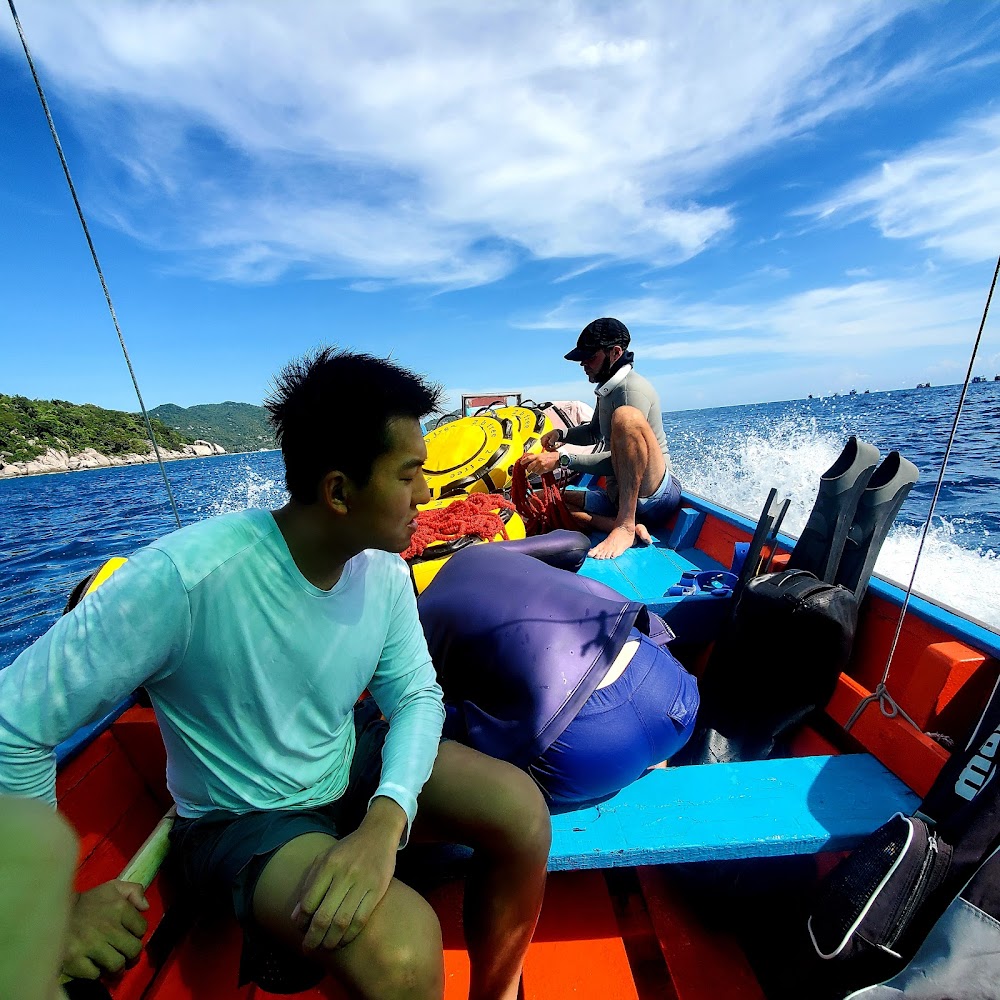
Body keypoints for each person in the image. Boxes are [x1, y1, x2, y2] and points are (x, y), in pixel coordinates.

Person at [0, 348, 551, 1000]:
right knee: (404, 949)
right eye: (408, 476)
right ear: (339, 491)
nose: (428, 495)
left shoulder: (379, 565)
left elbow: (416, 695)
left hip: (344, 756)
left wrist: (383, 823)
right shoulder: (187, 578)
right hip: (243, 817)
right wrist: (49, 913)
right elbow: (15, 724)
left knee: (522, 812)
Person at [523, 317, 680, 559]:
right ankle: (622, 526)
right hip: (617, 496)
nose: (583, 363)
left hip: (653, 497)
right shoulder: (607, 389)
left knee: (626, 417)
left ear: (615, 352)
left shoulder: (630, 391)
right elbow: (594, 432)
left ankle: (625, 527)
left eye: (590, 357)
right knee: (546, 502)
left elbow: (620, 462)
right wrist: (561, 434)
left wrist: (562, 460)